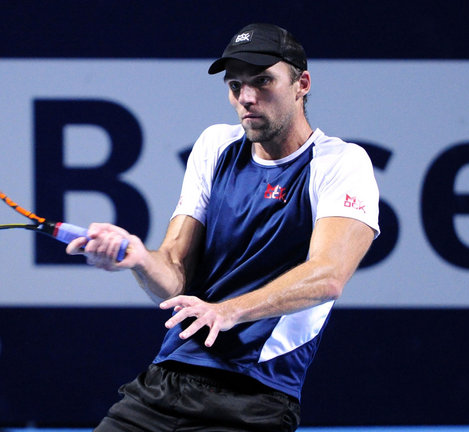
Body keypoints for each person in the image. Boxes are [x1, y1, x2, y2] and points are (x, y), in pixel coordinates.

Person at [66, 23, 380, 432]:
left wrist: (228, 311)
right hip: (166, 381)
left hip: (254, 397)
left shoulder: (340, 163)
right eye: (235, 85)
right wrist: (139, 258)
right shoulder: (216, 146)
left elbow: (328, 276)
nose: (246, 97)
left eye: (263, 81)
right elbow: (175, 276)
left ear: (302, 83)